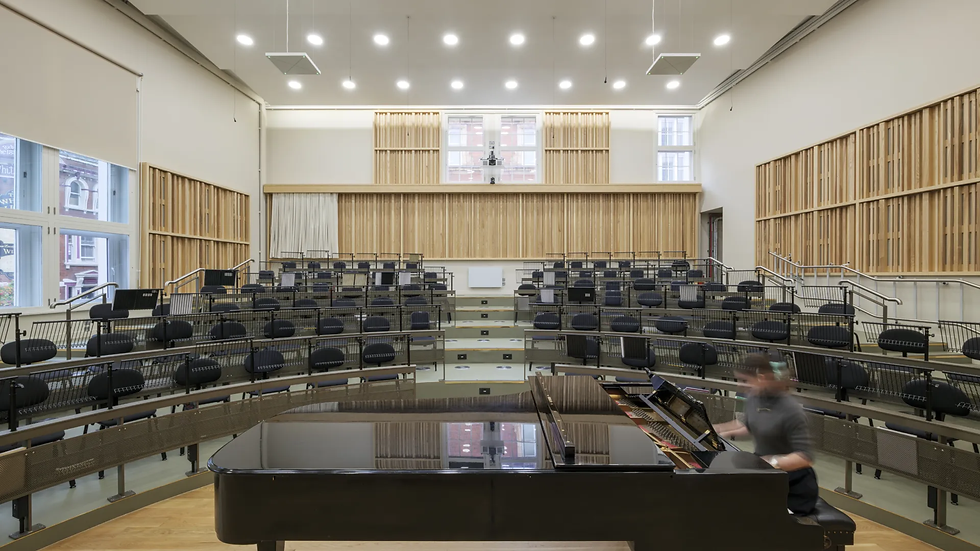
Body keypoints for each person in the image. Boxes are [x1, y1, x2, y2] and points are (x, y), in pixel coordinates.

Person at [715, 352, 818, 515]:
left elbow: (805, 457)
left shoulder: (791, 409)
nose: (740, 386)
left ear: (761, 378)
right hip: (766, 476)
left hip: (792, 487)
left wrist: (769, 462)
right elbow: (749, 426)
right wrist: (716, 429)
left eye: (744, 381)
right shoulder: (755, 398)